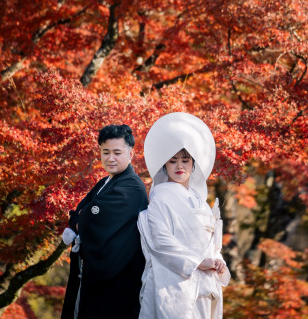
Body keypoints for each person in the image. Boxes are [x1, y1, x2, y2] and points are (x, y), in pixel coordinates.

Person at [137, 112, 231, 319]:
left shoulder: (202, 204)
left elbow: (213, 245)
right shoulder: (160, 199)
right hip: (173, 280)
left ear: (193, 164)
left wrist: (217, 261)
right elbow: (161, 241)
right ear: (164, 165)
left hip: (205, 282)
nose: (179, 166)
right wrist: (197, 262)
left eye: (185, 160)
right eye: (173, 161)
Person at [60, 124, 149, 319]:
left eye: (117, 152)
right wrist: (80, 219)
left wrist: (80, 220)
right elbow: (78, 214)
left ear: (131, 155)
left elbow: (87, 221)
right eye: (105, 152)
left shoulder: (132, 187)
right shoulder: (105, 182)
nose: (110, 158)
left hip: (116, 280)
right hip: (95, 277)